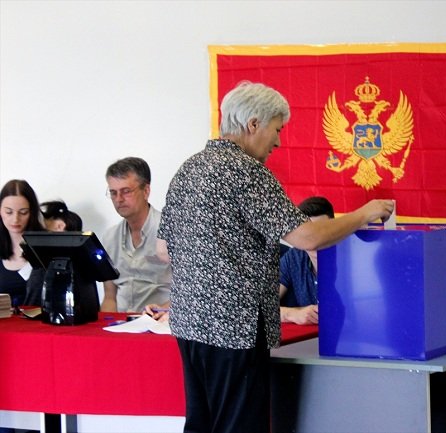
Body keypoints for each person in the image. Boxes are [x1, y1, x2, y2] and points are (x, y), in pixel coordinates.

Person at [158, 81, 394, 433]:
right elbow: (307, 236)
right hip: (234, 328)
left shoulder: (189, 169)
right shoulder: (245, 171)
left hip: (190, 323)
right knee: (238, 426)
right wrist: (364, 212)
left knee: (201, 424)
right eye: (277, 129)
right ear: (253, 124)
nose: (278, 141)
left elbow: (163, 250)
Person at [100, 157, 171, 313]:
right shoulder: (110, 237)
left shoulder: (171, 231)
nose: (119, 199)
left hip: (162, 323)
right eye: (113, 193)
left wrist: (162, 312)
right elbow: (109, 297)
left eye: (126, 191)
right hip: (122, 324)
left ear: (146, 191)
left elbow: (189, 292)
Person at [279, 196, 334, 325]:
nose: (314, 239)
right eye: (308, 233)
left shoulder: (351, 260)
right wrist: (294, 314)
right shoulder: (294, 257)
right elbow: (261, 308)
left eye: (320, 230)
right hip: (309, 342)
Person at [0, 180, 46, 309]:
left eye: (23, 212)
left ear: (32, 212)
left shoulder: (46, 247)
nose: (15, 219)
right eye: (9, 212)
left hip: (40, 326)